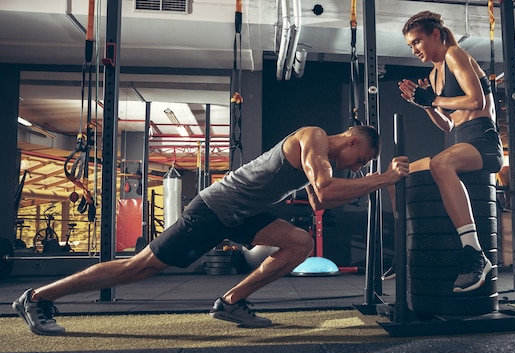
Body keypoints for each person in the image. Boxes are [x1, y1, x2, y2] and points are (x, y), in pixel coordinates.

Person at [13, 125, 409, 335]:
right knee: (141, 267)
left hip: (245, 213)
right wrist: (385, 179)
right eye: (363, 159)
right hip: (216, 208)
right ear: (354, 139)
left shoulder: (320, 156)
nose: (359, 167)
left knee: (299, 243)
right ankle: (36, 297)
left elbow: (321, 202)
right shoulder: (314, 137)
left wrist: (376, 181)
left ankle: (231, 302)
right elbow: (325, 190)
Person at [397, 11, 504, 293]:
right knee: (400, 172)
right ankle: (402, 247)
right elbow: (447, 124)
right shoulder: (434, 74)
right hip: (459, 141)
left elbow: (475, 100)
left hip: (483, 141)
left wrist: (433, 97)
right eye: (411, 45)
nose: (415, 49)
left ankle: (474, 253)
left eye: (417, 41)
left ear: (435, 34)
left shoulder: (455, 54)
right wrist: (426, 105)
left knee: (440, 164)